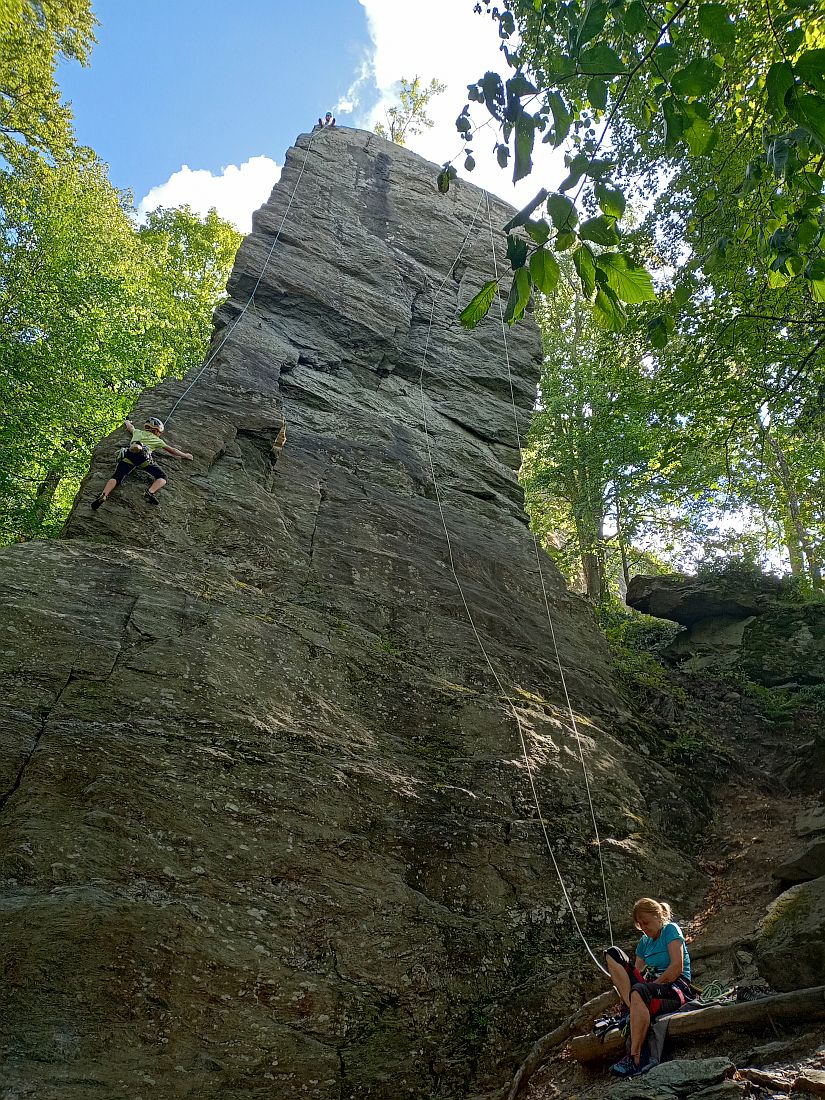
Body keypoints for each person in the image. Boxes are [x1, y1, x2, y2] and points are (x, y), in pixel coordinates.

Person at [604, 897, 693, 1078]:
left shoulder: (670, 930)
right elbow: (636, 971)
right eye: (640, 925)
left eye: (646, 922)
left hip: (676, 988)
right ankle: (632, 1007)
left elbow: (677, 967)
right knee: (612, 953)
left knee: (640, 991)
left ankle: (634, 1057)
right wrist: (634, 988)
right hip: (649, 990)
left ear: (658, 915)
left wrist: (649, 986)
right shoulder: (645, 942)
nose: (643, 927)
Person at [91, 417, 192, 510]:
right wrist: (185, 455)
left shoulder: (138, 432)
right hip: (143, 459)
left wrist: (127, 422)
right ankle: (150, 492)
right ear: (158, 431)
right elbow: (173, 450)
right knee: (162, 477)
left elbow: (130, 427)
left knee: (117, 476)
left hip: (128, 455)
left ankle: (104, 494)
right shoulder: (158, 440)